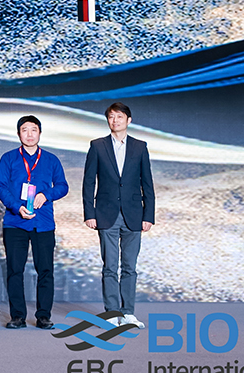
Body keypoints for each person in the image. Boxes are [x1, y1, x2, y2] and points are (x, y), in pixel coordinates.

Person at [82, 102, 155, 329]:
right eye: (111, 116)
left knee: (130, 267)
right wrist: (89, 213)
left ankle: (128, 312)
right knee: (110, 266)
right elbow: (88, 182)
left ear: (128, 120)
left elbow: (147, 183)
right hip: (106, 214)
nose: (115, 120)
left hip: (134, 215)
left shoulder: (140, 147)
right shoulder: (97, 146)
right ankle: (112, 313)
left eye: (120, 116)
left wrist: (149, 216)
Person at [0, 115, 68, 330]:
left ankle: (43, 315)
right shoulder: (8, 158)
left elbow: (63, 186)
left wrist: (46, 195)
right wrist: (17, 207)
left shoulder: (51, 159)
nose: (29, 134)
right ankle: (17, 316)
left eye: (33, 129)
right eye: (24, 130)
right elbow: (1, 187)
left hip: (43, 222)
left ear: (40, 133)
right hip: (15, 222)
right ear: (18, 134)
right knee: (14, 270)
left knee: (45, 270)